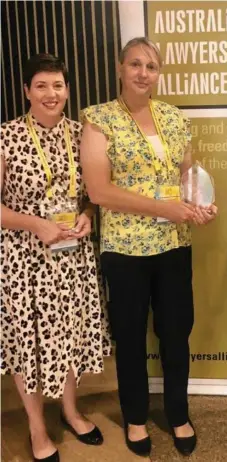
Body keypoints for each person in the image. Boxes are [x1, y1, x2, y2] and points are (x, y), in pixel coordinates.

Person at [80, 37, 217, 457]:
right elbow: (99, 191)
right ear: (121, 68)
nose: (143, 73)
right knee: (131, 336)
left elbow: (187, 173)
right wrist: (162, 207)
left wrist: (198, 205)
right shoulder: (98, 119)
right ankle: (136, 418)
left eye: (151, 66)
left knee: (176, 333)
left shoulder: (174, 118)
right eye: (135, 64)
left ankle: (178, 414)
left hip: (175, 244)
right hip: (126, 250)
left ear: (159, 73)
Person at [1, 54, 112, 462]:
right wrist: (35, 224)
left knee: (68, 336)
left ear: (67, 90)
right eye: (42, 86)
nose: (52, 94)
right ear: (27, 91)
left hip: (72, 258)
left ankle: (69, 409)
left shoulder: (82, 134)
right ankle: (36, 427)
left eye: (58, 86)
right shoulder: (7, 136)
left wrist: (86, 215)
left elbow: (93, 195)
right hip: (24, 262)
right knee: (28, 343)